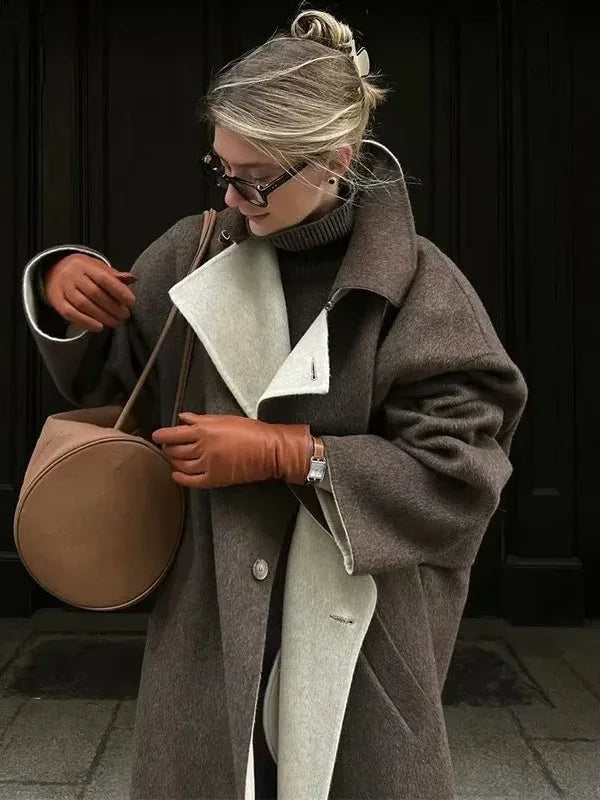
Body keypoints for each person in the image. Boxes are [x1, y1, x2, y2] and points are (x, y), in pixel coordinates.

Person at [21, 8, 528, 800]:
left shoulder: (421, 289)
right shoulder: (192, 252)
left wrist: (289, 454)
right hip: (210, 628)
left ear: (335, 160)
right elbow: (116, 385)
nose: (233, 195)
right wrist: (65, 291)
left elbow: (461, 475)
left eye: (255, 178)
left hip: (360, 634)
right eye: (221, 169)